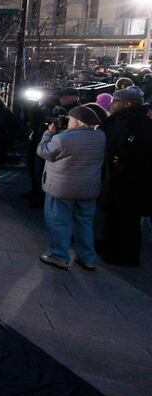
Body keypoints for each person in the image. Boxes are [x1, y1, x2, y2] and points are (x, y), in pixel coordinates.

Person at [36, 105, 106, 270]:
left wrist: (49, 133)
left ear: (77, 122)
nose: (68, 122)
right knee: (85, 223)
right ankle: (87, 257)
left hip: (62, 188)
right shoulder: (100, 136)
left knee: (59, 221)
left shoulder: (63, 139)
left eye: (70, 119)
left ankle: (59, 255)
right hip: (88, 189)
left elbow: (44, 152)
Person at [99, 87, 152, 266]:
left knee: (127, 218)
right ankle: (110, 245)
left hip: (131, 180)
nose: (112, 104)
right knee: (113, 213)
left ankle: (126, 255)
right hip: (114, 177)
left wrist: (122, 160)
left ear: (128, 103)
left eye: (116, 101)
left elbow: (141, 151)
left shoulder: (140, 123)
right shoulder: (117, 119)